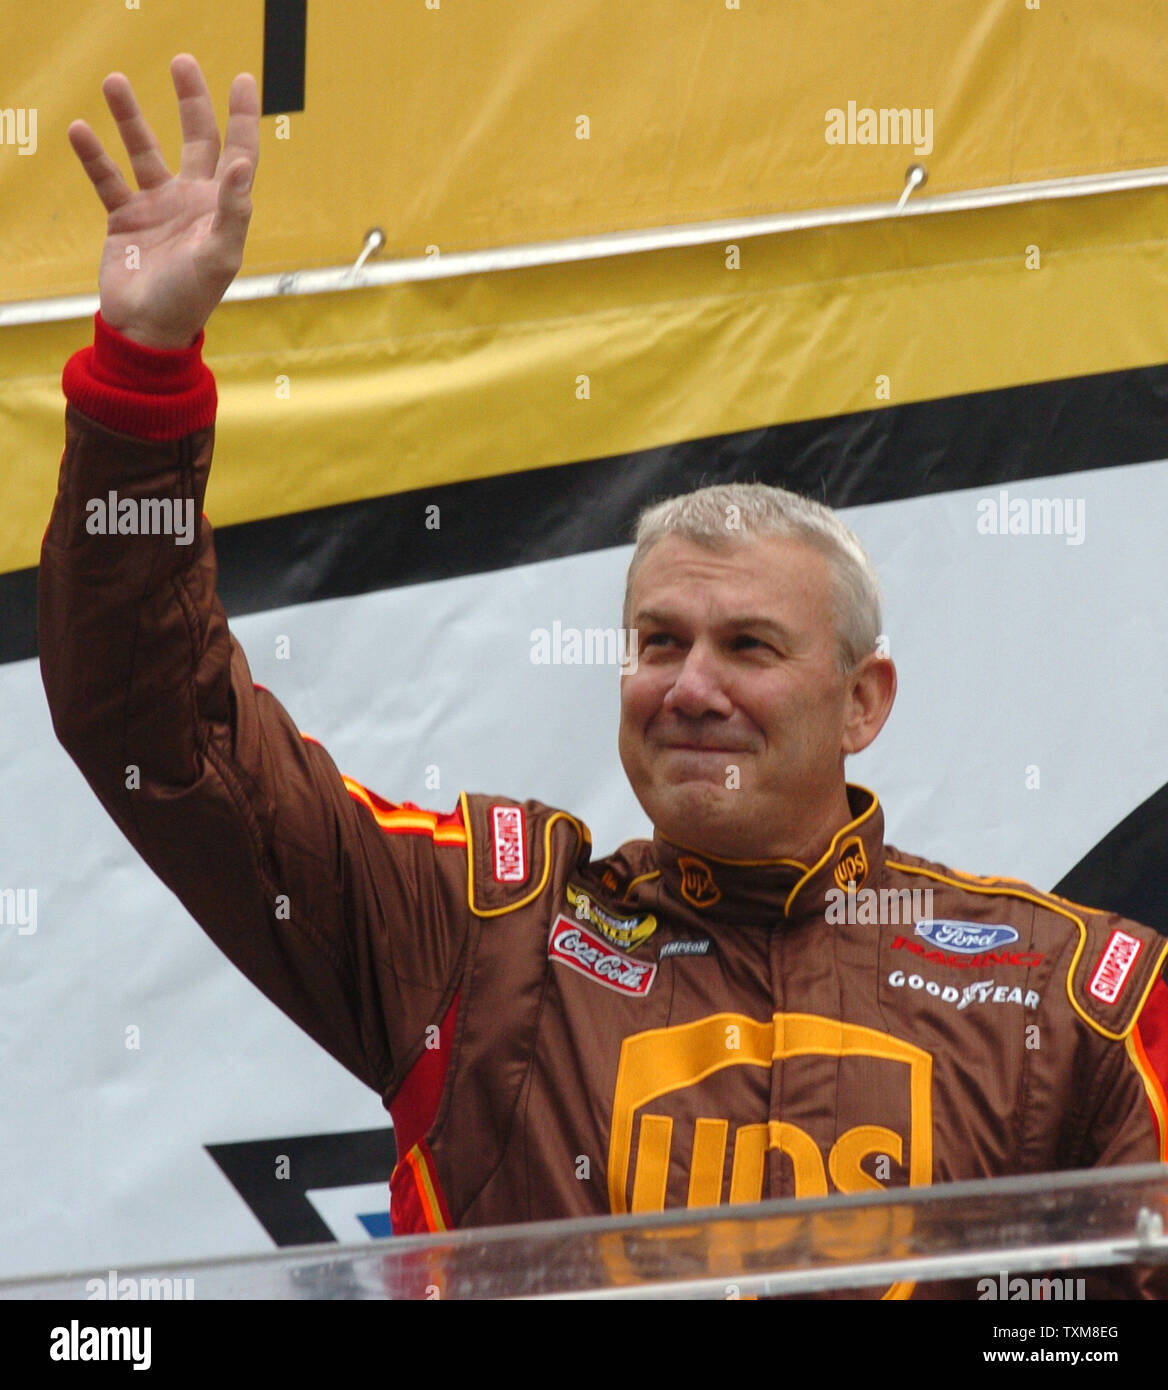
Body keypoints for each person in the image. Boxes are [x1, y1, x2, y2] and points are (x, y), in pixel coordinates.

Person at [40, 55, 1168, 1299]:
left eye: (748, 646)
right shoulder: (482, 937)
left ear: (864, 700)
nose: (689, 686)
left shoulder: (1067, 999)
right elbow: (158, 730)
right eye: (658, 641)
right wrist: (144, 375)